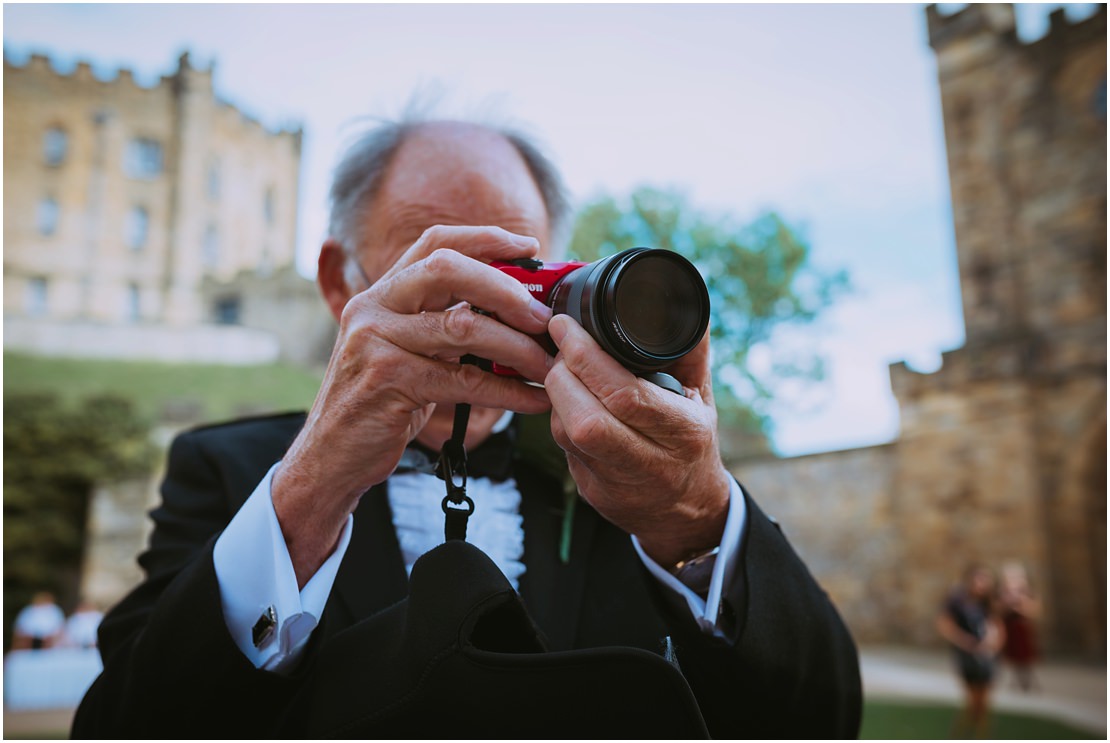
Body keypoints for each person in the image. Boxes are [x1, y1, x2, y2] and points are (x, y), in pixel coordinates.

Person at [72, 115, 862, 738]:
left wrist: (697, 517)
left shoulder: (631, 470)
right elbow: (127, 727)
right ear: (340, 282)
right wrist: (312, 488)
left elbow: (817, 724)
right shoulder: (233, 468)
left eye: (520, 277)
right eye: (439, 264)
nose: (479, 309)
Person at [937, 564, 1005, 739]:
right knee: (973, 700)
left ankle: (979, 735)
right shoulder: (958, 601)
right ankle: (963, 735)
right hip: (967, 656)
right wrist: (965, 641)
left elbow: (998, 626)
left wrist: (993, 643)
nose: (982, 583)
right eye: (979, 578)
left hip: (987, 656)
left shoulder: (989, 603)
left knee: (983, 702)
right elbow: (945, 625)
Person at [998, 560, 1041, 692]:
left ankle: (1028, 680)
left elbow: (1034, 611)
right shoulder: (1003, 593)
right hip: (1010, 627)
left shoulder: (1027, 593)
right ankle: (1017, 680)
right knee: (1013, 656)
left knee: (1026, 656)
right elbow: (998, 610)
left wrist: (1021, 606)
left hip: (1023, 627)